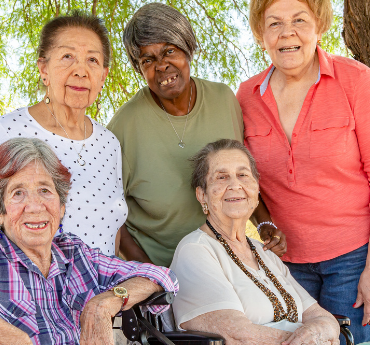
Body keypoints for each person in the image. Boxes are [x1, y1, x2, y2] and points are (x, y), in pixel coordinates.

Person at [236, 0, 370, 343]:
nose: (288, 33)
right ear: (260, 34)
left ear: (319, 25)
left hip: (355, 257)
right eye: (274, 24)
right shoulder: (247, 95)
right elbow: (245, 180)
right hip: (287, 265)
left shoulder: (356, 80)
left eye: (299, 20)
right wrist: (264, 226)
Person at [0, 138, 178, 345]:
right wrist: (17, 340)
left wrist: (105, 303)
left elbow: (158, 275)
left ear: (61, 206)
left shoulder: (74, 255)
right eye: (18, 193)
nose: (35, 207)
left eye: (45, 191)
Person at [107, 2, 285, 268]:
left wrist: (265, 225)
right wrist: (152, 275)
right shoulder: (123, 126)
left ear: (188, 47)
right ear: (139, 68)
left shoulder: (224, 100)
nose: (162, 65)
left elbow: (241, 176)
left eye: (170, 51)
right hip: (164, 270)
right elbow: (111, 216)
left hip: (229, 264)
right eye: (148, 59)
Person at [0, 12, 126, 256]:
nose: (81, 71)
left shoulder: (109, 143)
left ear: (103, 76)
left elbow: (113, 230)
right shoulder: (9, 130)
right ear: (44, 69)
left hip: (102, 290)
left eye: (92, 60)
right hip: (28, 292)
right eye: (67, 56)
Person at [170, 139, 355, 345]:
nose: (235, 185)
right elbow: (235, 335)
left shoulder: (264, 251)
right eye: (221, 177)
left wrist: (320, 330)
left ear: (256, 190)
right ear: (202, 194)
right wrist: (310, 341)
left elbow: (320, 316)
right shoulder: (196, 250)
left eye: (243, 175)